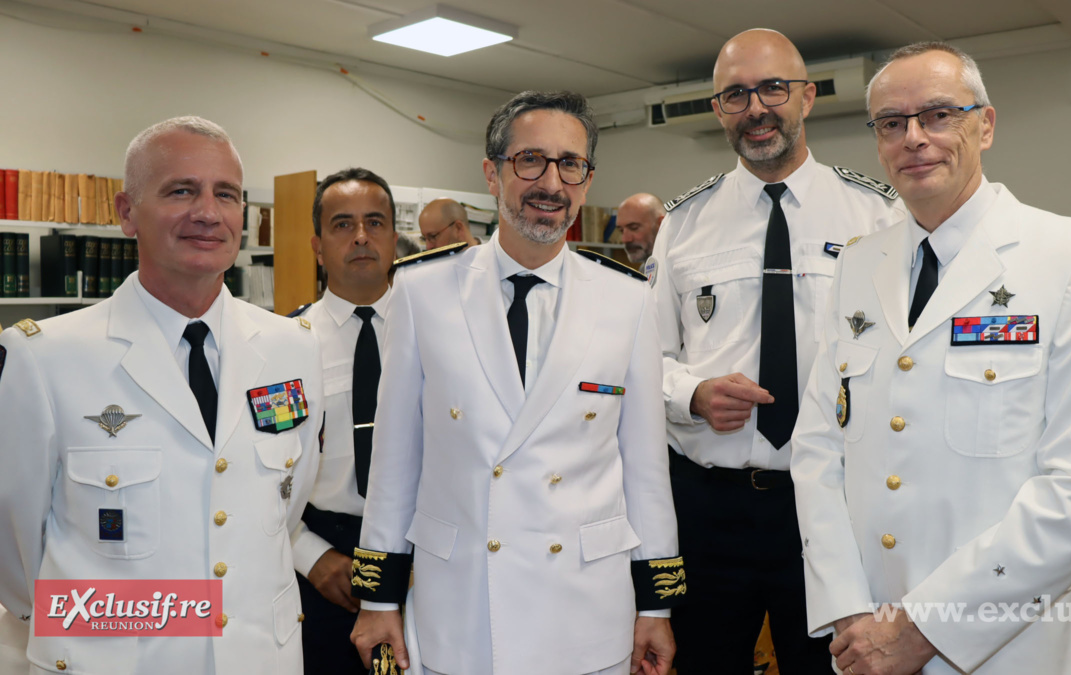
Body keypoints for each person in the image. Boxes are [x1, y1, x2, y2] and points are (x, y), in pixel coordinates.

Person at [790, 42, 1071, 675]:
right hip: (864, 640)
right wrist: (848, 609)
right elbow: (819, 446)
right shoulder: (856, 263)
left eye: (938, 114)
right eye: (892, 123)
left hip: (1003, 645)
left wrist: (925, 629)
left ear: (985, 124)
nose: (914, 138)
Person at [349, 90, 685, 675]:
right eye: (530, 160)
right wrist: (379, 596)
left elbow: (645, 468)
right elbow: (395, 459)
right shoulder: (422, 292)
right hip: (462, 601)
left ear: (585, 180)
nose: (550, 182)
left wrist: (657, 603)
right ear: (492, 173)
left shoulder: (628, 299)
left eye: (570, 164)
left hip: (586, 604)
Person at [0, 116, 324, 674]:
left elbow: (284, 504)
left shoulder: (292, 347)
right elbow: (14, 542)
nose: (207, 212)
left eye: (226, 194)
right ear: (127, 213)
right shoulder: (46, 356)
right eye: (181, 190)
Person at [649, 28, 903, 674]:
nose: (756, 107)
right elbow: (642, 362)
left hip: (831, 505)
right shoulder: (683, 224)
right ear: (717, 110)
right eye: (736, 93)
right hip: (710, 509)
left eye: (772, 89)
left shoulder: (876, 215)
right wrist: (693, 394)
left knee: (829, 668)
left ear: (808, 97)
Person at [290, 167, 399, 674]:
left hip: (425, 558)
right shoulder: (285, 345)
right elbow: (262, 472)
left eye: (375, 222)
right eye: (342, 224)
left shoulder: (443, 338)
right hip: (327, 563)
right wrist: (309, 554)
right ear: (318, 245)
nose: (360, 236)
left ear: (395, 238)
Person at [614, 193, 665, 270]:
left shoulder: (681, 268)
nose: (625, 239)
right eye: (621, 230)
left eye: (633, 228)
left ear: (660, 224)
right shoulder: (645, 269)